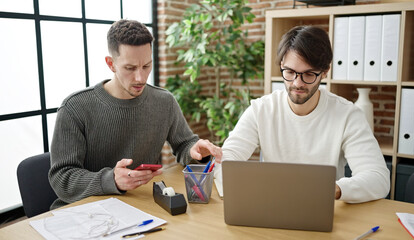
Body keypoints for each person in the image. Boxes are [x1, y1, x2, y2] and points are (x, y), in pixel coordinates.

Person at [48, 19, 222, 209]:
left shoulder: (164, 102)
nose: (140, 78)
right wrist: (111, 180)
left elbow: (184, 145)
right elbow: (61, 178)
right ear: (111, 64)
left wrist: (194, 150)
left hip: (141, 205)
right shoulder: (75, 108)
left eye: (146, 66)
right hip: (86, 213)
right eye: (130, 68)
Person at [215, 25, 389, 203]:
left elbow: (378, 179)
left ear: (325, 71)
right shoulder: (261, 110)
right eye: (290, 72)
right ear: (282, 65)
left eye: (308, 74)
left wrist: (335, 189)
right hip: (271, 206)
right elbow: (226, 159)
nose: (297, 83)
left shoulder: (348, 115)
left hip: (321, 208)